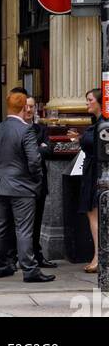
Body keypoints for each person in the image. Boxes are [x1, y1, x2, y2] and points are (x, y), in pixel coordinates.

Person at [0, 90, 54, 283]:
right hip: (23, 186)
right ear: (24, 107)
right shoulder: (26, 130)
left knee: (0, 226)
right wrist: (36, 180)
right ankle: (30, 269)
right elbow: (34, 161)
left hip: (1, 184)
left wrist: (1, 175)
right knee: (24, 229)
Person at [21, 94, 56, 269]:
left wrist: (36, 151)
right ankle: (19, 257)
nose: (29, 110)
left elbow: (49, 150)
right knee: (20, 223)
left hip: (39, 181)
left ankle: (37, 254)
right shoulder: (14, 128)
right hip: (20, 182)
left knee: (37, 221)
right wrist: (37, 148)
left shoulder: (40, 129)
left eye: (32, 106)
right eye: (26, 106)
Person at [73, 87, 102, 274]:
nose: (86, 103)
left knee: (95, 213)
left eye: (90, 99)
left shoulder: (102, 124)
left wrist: (81, 139)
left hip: (97, 171)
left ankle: (99, 257)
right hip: (94, 170)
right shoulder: (97, 123)